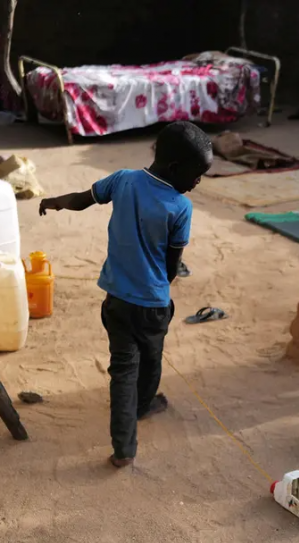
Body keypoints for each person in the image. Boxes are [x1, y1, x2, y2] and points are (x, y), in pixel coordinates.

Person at [38, 122, 213, 469]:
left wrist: (55, 202)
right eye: (197, 175)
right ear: (175, 168)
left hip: (116, 301)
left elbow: (83, 199)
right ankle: (143, 405)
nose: (198, 182)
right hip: (153, 308)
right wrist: (160, 284)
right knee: (151, 363)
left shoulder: (122, 180)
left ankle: (124, 449)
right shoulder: (180, 206)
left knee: (123, 370)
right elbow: (172, 264)